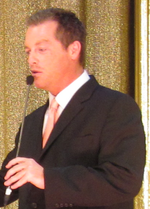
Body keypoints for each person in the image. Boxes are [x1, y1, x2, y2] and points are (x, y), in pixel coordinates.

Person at [0, 8, 145, 209]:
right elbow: (7, 182)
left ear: (73, 50)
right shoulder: (33, 121)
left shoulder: (115, 107)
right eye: (28, 51)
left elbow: (123, 180)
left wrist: (46, 178)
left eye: (41, 49)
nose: (31, 59)